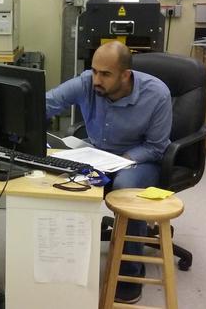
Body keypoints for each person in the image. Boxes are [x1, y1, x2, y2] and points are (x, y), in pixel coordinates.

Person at [46, 41, 172, 304]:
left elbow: (157, 147)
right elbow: (49, 102)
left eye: (105, 74)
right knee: (59, 178)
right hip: (95, 152)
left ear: (125, 75)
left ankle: (130, 272)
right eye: (94, 71)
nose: (96, 80)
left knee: (125, 188)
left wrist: (123, 159)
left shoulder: (156, 94)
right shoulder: (87, 82)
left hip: (138, 159)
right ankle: (66, 262)